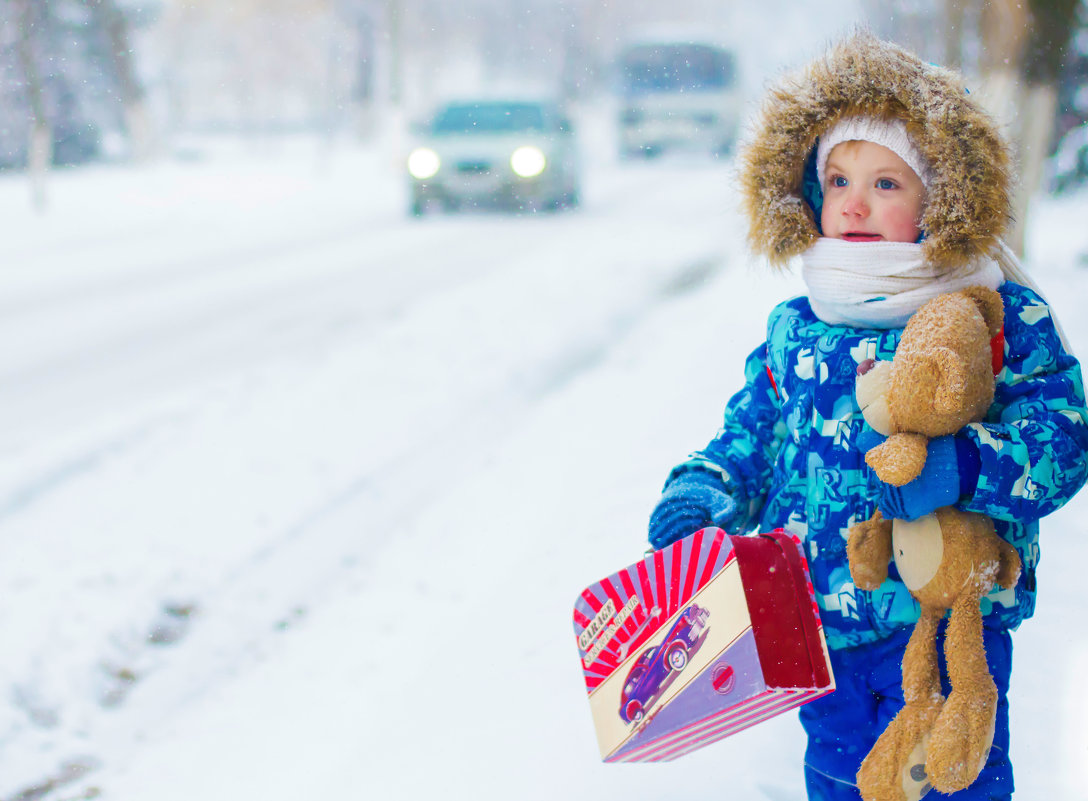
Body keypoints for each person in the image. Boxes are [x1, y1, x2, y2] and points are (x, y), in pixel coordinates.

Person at [646, 33, 1088, 801]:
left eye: (887, 182)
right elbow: (750, 434)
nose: (854, 200)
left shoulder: (992, 313)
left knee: (953, 782)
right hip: (816, 632)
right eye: (838, 178)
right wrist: (703, 493)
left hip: (950, 627)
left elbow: (1065, 437)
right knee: (843, 782)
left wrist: (966, 467)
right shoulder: (799, 325)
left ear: (939, 196)